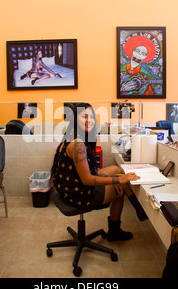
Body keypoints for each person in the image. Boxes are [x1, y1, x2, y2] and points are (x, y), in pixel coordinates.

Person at [51, 103, 148, 242]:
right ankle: (115, 231)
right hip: (78, 193)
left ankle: (137, 207)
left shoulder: (69, 137)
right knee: (119, 189)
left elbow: (86, 172)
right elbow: (87, 180)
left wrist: (116, 178)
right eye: (84, 116)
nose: (89, 120)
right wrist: (117, 181)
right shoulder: (78, 144)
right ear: (74, 119)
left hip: (67, 187)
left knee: (116, 170)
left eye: (91, 117)